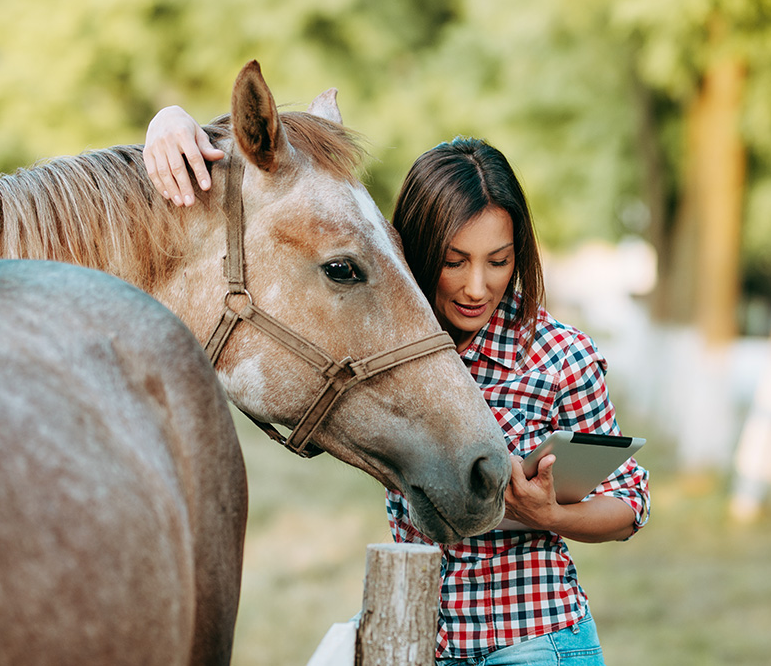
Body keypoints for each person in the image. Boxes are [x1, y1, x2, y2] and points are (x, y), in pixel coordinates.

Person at [145, 107, 650, 666]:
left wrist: (550, 515)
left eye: (498, 262)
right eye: (454, 261)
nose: (477, 287)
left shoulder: (559, 355)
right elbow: (295, 182)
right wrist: (170, 122)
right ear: (417, 248)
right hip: (413, 640)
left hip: (533, 642)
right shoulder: (388, 342)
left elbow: (629, 503)